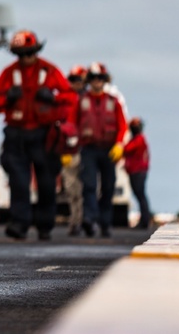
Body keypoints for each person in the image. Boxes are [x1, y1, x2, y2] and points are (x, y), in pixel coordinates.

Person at [0, 30, 76, 241]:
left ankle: (45, 225)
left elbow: (70, 97)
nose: (25, 59)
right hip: (16, 135)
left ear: (36, 51)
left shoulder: (49, 70)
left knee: (47, 182)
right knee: (19, 182)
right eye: (20, 54)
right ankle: (19, 224)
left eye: (28, 53)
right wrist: (8, 98)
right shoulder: (9, 74)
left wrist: (52, 96)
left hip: (44, 135)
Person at [72, 62, 127, 238]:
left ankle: (105, 223)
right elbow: (72, 124)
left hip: (108, 151)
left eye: (100, 78)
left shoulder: (114, 102)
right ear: (89, 81)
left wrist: (119, 144)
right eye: (94, 78)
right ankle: (89, 219)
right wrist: (70, 146)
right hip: (88, 149)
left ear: (105, 80)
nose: (97, 82)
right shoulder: (81, 101)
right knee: (89, 185)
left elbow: (122, 125)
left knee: (108, 187)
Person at [61, 64, 88, 236]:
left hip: (89, 149)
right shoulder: (64, 99)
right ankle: (75, 220)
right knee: (72, 189)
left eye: (80, 80)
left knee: (89, 187)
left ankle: (87, 219)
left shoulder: (91, 99)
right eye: (73, 80)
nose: (76, 84)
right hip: (70, 150)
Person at [123, 117, 152, 229]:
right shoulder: (136, 138)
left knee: (140, 195)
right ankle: (144, 219)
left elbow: (128, 149)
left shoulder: (139, 139)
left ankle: (145, 220)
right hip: (135, 170)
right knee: (139, 195)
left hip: (138, 171)